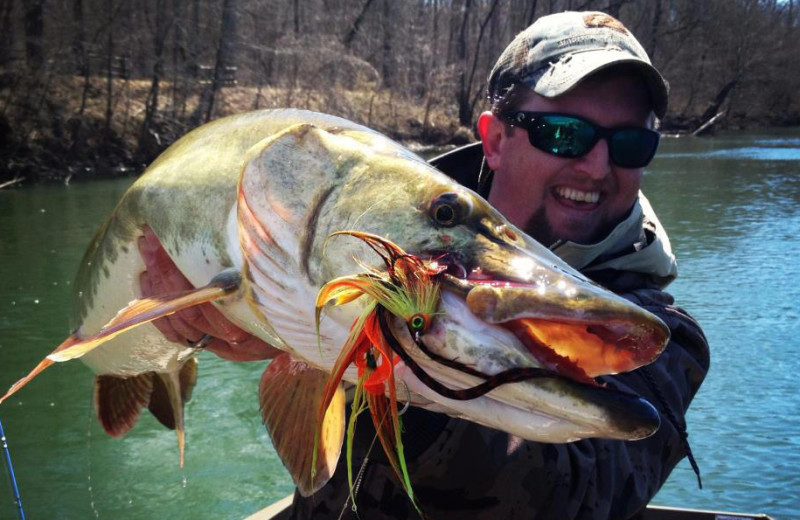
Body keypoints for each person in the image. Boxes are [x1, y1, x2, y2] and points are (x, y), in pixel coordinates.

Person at [139, 11, 709, 519]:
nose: (597, 165)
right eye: (565, 134)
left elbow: (574, 495)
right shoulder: (366, 229)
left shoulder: (659, 333)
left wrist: (387, 357)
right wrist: (230, 318)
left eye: (631, 143)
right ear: (495, 140)